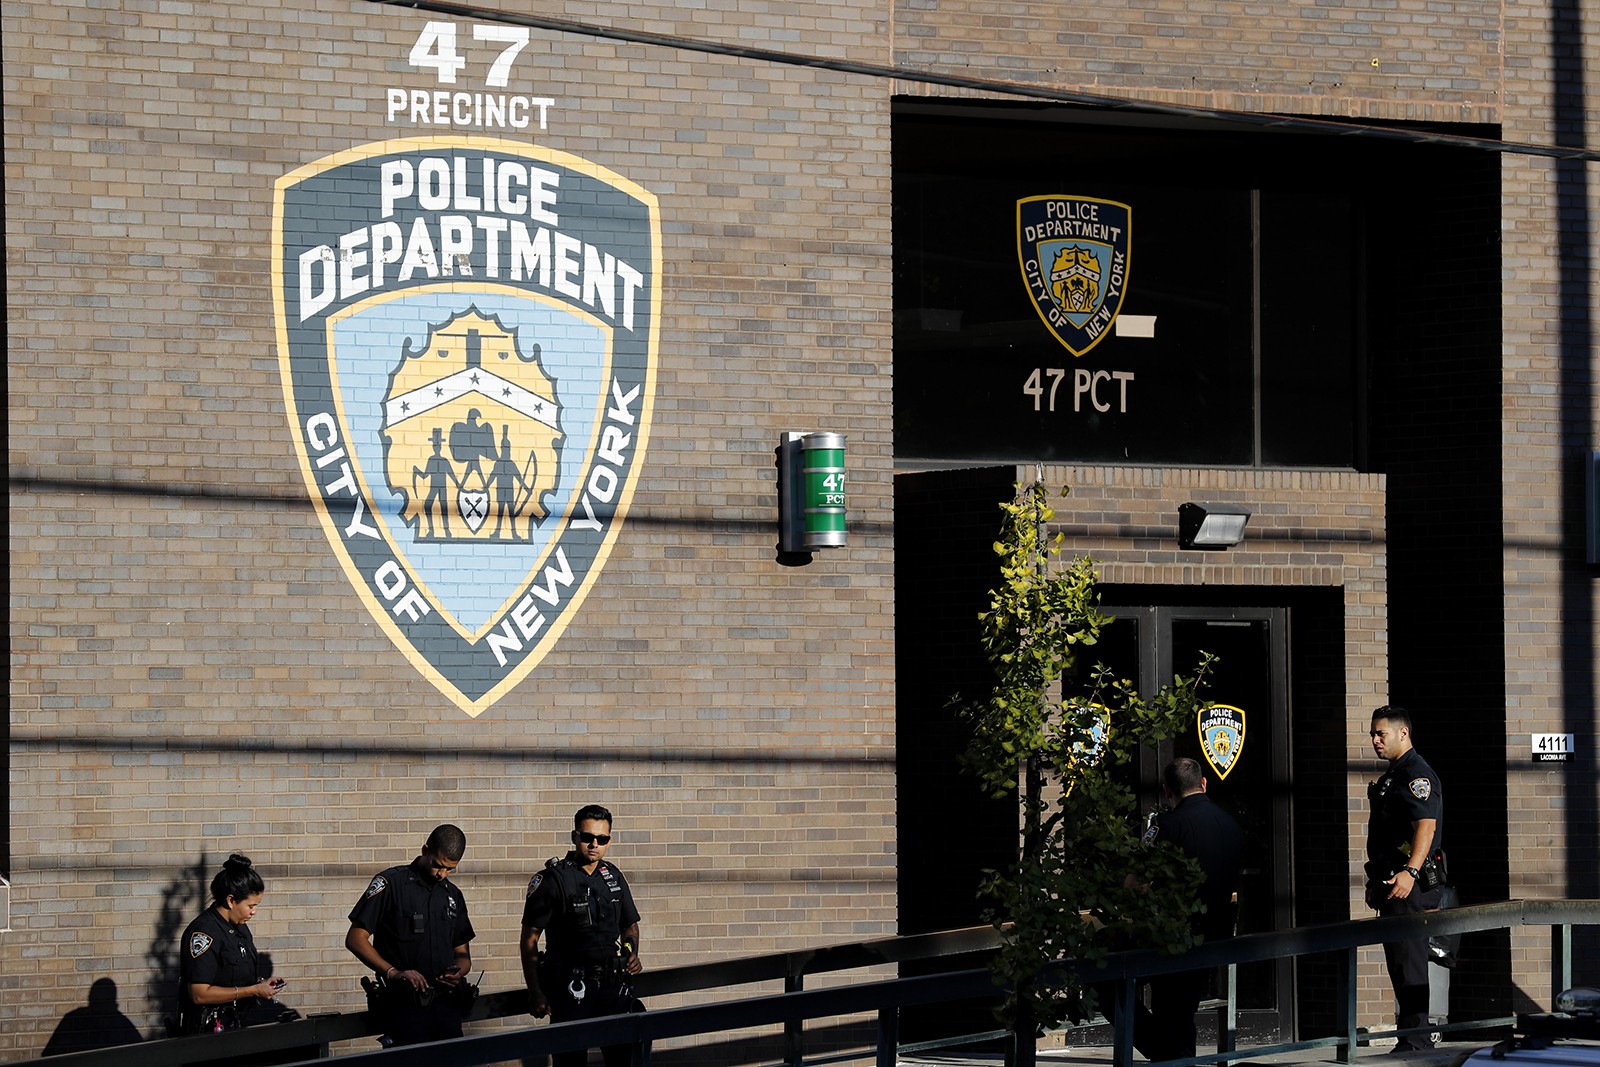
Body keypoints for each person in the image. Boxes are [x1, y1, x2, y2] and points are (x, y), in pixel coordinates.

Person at [1132, 757, 1247, 1061]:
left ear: (1166, 789)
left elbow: (1136, 881)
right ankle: (1173, 1054)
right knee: (1183, 1010)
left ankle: (1166, 1053)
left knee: (1161, 1004)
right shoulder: (1230, 823)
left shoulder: (1167, 825)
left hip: (1174, 933)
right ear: (1204, 783)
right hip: (1218, 931)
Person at [521, 804, 644, 1067]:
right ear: (575, 837)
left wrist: (631, 951)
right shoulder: (553, 880)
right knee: (570, 1062)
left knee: (624, 1060)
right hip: (571, 990)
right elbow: (529, 939)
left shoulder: (613, 876)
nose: (594, 844)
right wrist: (535, 990)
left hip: (612, 988)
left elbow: (630, 926)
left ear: (609, 840)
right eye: (587, 837)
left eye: (602, 839)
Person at [345, 824, 476, 1047]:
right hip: (404, 1009)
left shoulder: (452, 895)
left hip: (446, 1009)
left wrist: (458, 972)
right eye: (438, 865)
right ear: (425, 850)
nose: (442, 874)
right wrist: (394, 973)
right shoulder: (391, 884)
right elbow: (355, 938)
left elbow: (462, 956)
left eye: (450, 869)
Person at [1364, 706, 1448, 1053]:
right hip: (1393, 884)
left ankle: (1416, 1040)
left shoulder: (1416, 774)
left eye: (1381, 733)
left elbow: (1425, 826)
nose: (1375, 740)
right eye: (1372, 734)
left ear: (1403, 733)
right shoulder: (1394, 775)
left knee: (1410, 961)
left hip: (1410, 886)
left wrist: (1410, 872)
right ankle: (1409, 1037)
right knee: (1400, 961)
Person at [177, 853, 287, 1035]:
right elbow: (199, 993)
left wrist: (261, 985)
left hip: (235, 1026)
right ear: (230, 900)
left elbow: (231, 974)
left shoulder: (240, 929)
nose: (254, 912)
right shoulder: (204, 932)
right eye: (251, 906)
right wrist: (253, 990)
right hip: (207, 1033)